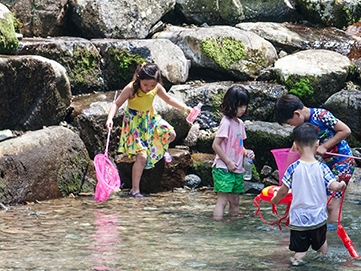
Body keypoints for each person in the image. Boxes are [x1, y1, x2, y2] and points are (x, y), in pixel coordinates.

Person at [106, 63, 192, 198]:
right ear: (139, 79)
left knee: (171, 134)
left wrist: (185, 109)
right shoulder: (131, 88)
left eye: (152, 86)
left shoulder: (156, 87)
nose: (149, 88)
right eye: (145, 85)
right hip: (134, 123)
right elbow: (116, 103)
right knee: (142, 156)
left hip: (150, 118)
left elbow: (168, 99)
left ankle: (160, 149)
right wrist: (110, 118)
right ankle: (135, 190)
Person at [274, 94, 355, 228]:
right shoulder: (303, 126)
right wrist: (285, 179)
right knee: (320, 201)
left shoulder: (321, 115)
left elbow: (345, 130)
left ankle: (335, 236)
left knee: (331, 204)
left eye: (289, 122)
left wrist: (325, 146)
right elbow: (295, 148)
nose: (291, 126)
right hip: (326, 165)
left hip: (343, 162)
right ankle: (320, 231)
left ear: (297, 114)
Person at [272, 123, 347, 266]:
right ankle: (323, 263)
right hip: (318, 216)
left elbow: (282, 190)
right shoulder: (322, 167)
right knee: (321, 244)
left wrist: (275, 201)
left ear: (296, 146)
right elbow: (334, 186)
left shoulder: (292, 168)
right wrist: (341, 185)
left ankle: (296, 263)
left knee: (300, 250)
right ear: (317, 144)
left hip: (298, 218)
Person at [211, 84, 254, 220]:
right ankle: (217, 225)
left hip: (236, 168)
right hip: (224, 168)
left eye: (244, 106)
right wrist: (228, 162)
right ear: (230, 105)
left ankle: (233, 222)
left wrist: (246, 152)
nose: (242, 109)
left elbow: (238, 146)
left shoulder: (240, 124)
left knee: (235, 200)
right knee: (222, 200)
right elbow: (215, 145)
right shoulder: (226, 123)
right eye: (239, 106)